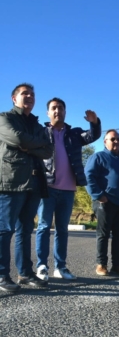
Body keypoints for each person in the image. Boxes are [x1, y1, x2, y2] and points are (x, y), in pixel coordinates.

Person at [35, 98, 101, 281]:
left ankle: (60, 267)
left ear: (65, 112)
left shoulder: (74, 134)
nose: (57, 111)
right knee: (43, 227)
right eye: (54, 108)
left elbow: (92, 136)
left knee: (62, 229)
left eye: (61, 108)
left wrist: (94, 122)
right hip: (47, 187)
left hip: (68, 189)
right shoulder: (41, 133)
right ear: (48, 113)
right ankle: (41, 266)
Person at [0, 83, 53, 292]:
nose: (29, 96)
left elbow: (48, 150)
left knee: (25, 231)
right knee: (4, 230)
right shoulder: (5, 118)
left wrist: (27, 145)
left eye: (32, 94)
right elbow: (17, 138)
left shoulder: (38, 126)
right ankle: (2, 275)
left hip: (33, 184)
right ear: (14, 99)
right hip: (11, 183)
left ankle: (25, 273)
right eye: (24, 94)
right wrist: (33, 144)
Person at [84, 129, 119, 277]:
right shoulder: (98, 157)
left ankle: (117, 265)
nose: (116, 142)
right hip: (105, 201)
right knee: (103, 234)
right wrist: (98, 195)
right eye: (113, 139)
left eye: (118, 139)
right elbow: (89, 177)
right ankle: (101, 264)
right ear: (105, 141)